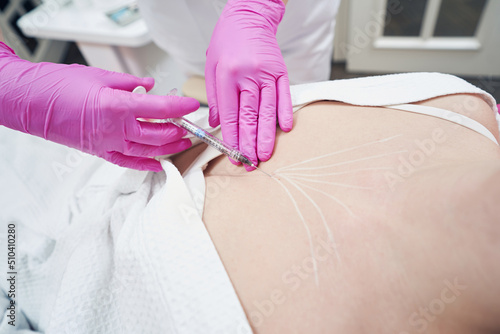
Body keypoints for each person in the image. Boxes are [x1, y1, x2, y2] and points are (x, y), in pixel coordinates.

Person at [0, 0, 341, 172]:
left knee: (297, 102)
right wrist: (10, 84)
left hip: (290, 22)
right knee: (206, 76)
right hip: (177, 15)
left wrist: (255, 7)